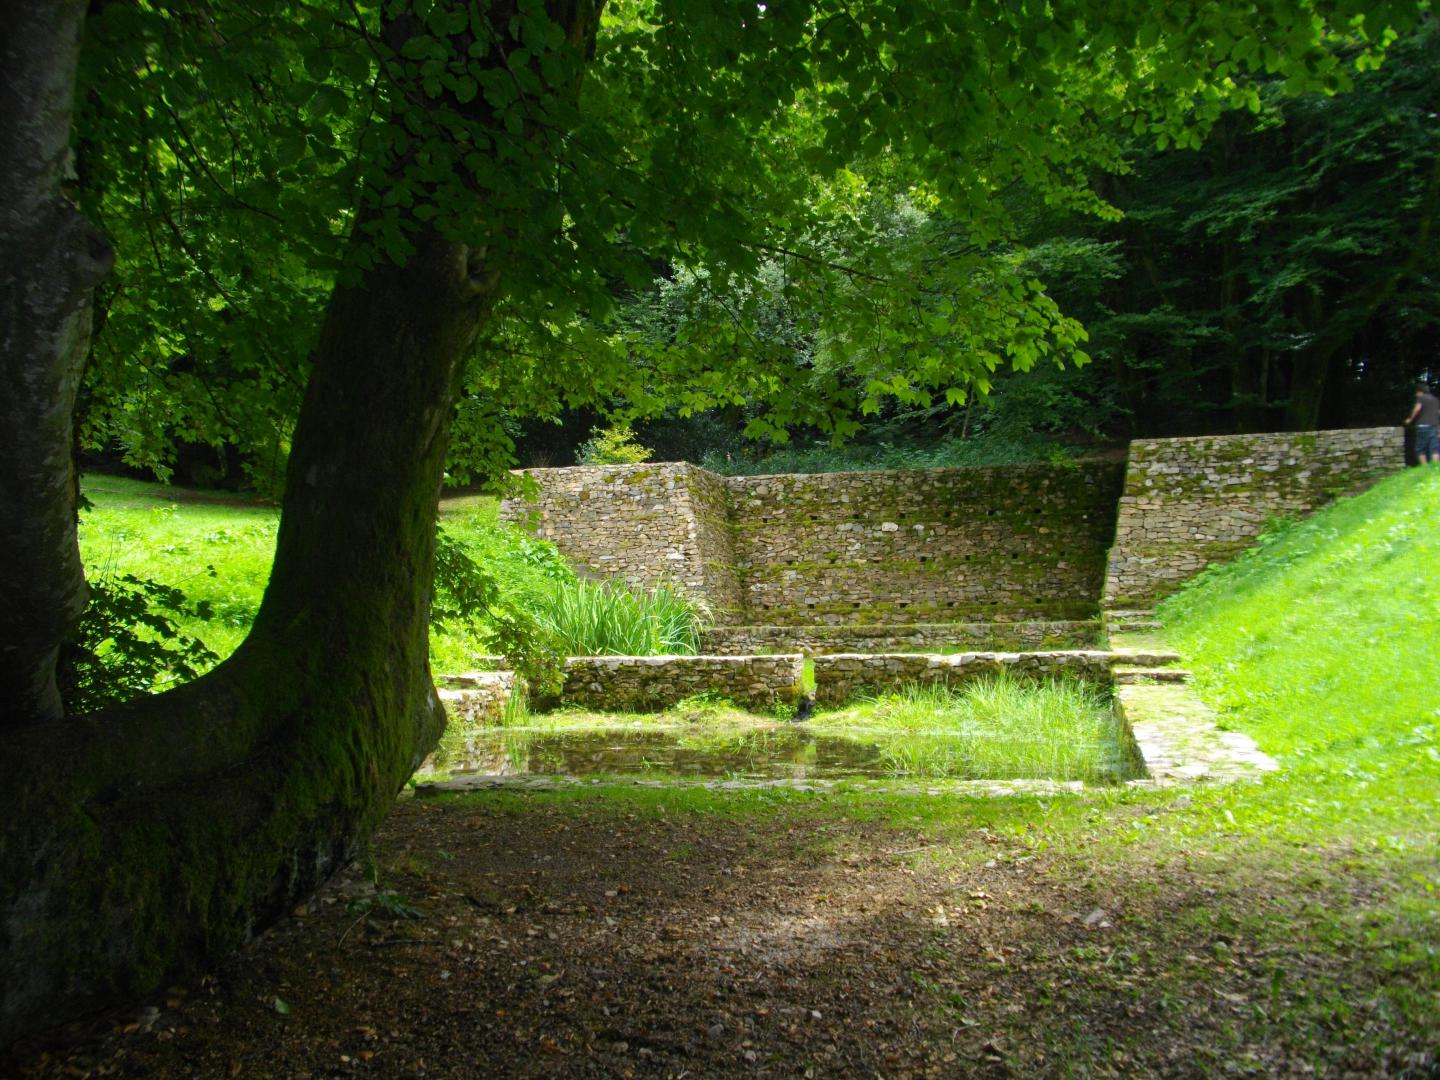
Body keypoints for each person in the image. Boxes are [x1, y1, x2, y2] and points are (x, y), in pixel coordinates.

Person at [1405, 383, 1440, 465]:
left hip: (1423, 426)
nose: (1416, 395)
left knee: (1420, 448)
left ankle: (1424, 467)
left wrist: (1410, 419)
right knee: (1434, 447)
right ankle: (1435, 466)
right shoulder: (1435, 399)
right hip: (1434, 426)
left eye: (1416, 393)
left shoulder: (1421, 398)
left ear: (1419, 391)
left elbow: (1417, 409)